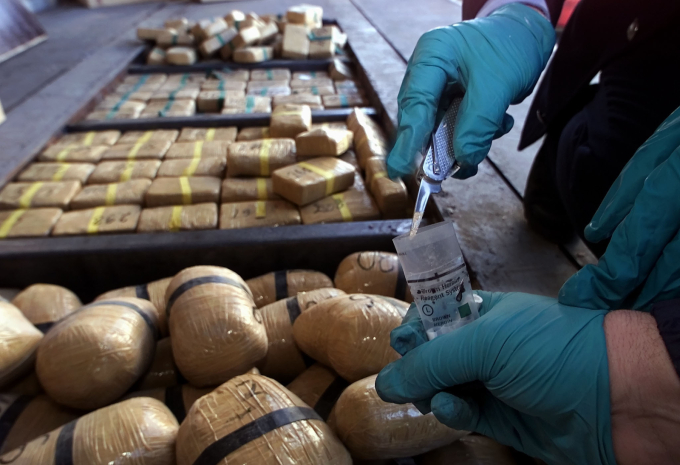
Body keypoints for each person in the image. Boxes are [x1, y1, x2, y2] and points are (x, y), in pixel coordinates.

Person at [386, 0, 680, 255]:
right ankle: (575, 120)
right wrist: (521, 10)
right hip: (638, 27)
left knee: (638, 215)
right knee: (586, 171)